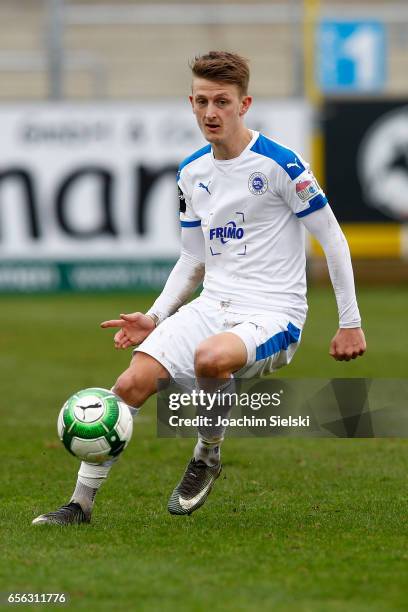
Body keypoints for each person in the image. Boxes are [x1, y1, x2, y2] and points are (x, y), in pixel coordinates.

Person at [32, 51, 366, 525]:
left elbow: (332, 238)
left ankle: (206, 457)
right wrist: (154, 316)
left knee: (212, 358)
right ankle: (79, 505)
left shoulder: (281, 165)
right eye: (202, 101)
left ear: (244, 104)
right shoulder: (192, 172)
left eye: (223, 102)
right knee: (130, 384)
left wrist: (349, 322)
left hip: (274, 313)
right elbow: (193, 256)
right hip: (214, 304)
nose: (211, 113)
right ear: (191, 102)